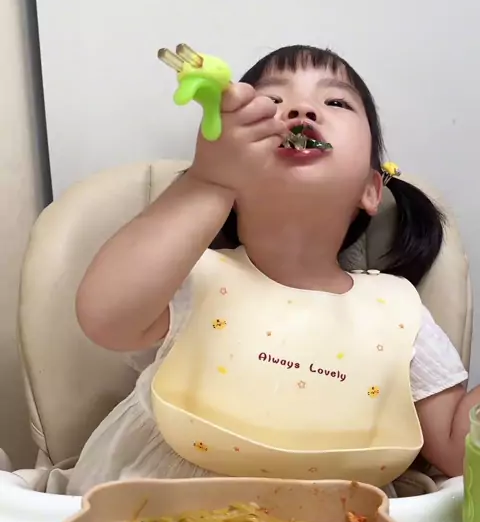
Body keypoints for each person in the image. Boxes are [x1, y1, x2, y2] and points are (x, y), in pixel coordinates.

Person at [4, 45, 473, 497]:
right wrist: (210, 180)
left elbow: (457, 450)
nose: (301, 110)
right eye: (273, 100)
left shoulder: (398, 311)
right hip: (149, 516)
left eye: (335, 102)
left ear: (371, 190)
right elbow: (108, 316)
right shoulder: (191, 274)